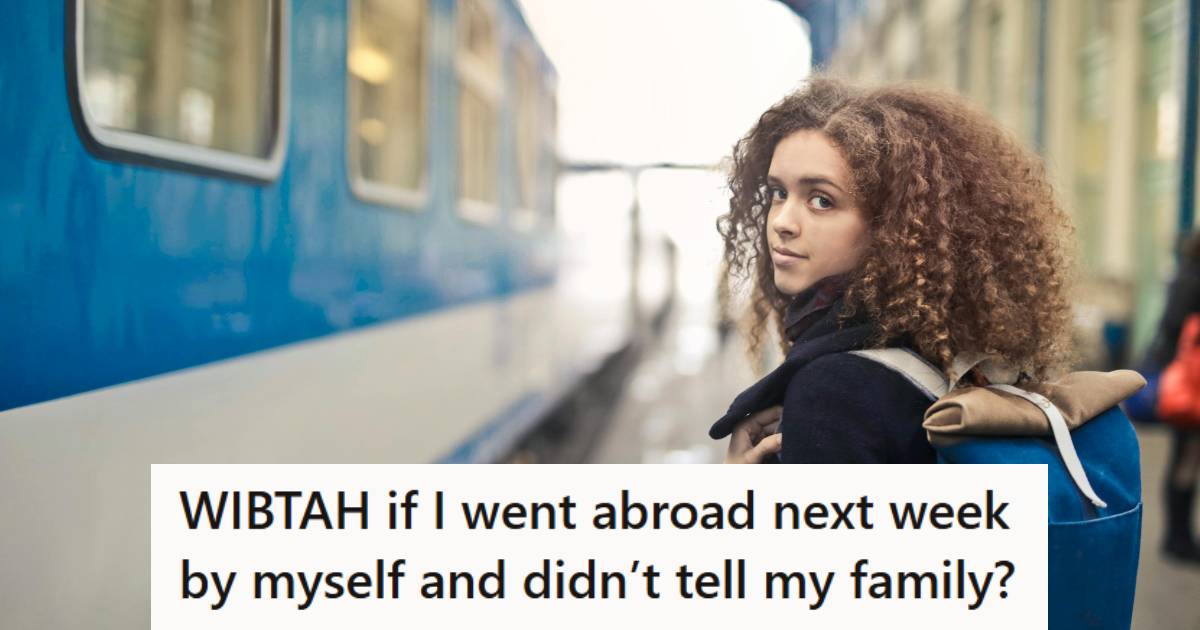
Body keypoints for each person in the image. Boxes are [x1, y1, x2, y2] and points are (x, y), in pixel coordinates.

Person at [709, 76, 1075, 464]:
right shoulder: (942, 350)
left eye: (821, 200)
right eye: (779, 193)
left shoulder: (833, 390)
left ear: (890, 226)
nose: (782, 221)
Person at [1142, 233, 1200, 564]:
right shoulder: (1193, 280)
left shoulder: (1184, 275)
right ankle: (1178, 538)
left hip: (1187, 380)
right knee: (1186, 459)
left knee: (1184, 457)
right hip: (1192, 385)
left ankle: (1178, 536)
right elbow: (1177, 326)